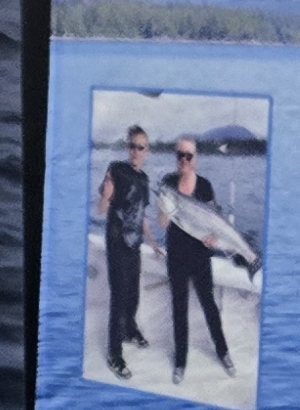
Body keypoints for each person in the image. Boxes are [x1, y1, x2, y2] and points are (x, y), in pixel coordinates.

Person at [159, 134, 238, 380]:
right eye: (179, 155)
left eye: (188, 155)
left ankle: (223, 352)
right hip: (176, 257)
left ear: (195, 158)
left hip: (201, 256)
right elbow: (162, 223)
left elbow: (215, 224)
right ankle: (180, 362)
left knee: (210, 307)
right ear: (176, 157)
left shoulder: (204, 185)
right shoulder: (167, 182)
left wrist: (214, 238)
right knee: (179, 310)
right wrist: (165, 208)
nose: (183, 159)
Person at [97, 125, 152, 378]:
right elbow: (101, 209)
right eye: (132, 146)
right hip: (117, 243)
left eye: (140, 147)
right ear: (127, 147)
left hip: (135, 244)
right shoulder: (116, 169)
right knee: (119, 298)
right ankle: (114, 354)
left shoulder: (145, 179)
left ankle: (130, 330)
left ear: (147, 151)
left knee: (133, 295)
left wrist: (153, 242)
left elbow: (141, 215)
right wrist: (106, 196)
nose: (135, 151)